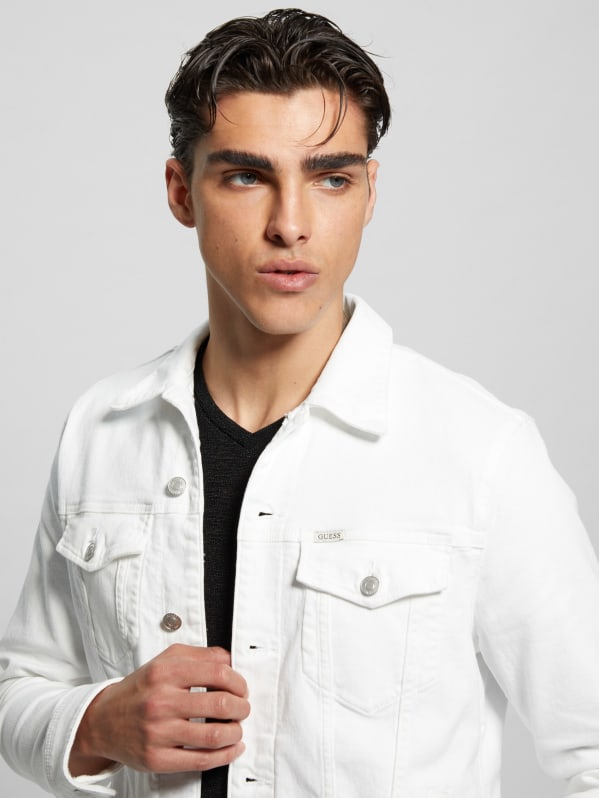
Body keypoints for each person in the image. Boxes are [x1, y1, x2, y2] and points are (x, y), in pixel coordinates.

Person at [1, 7, 598, 798]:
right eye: (246, 177)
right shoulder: (103, 429)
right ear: (181, 191)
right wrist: (97, 723)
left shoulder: (481, 450)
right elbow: (23, 684)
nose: (291, 225)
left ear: (368, 192)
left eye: (330, 178)